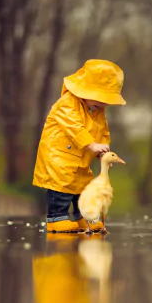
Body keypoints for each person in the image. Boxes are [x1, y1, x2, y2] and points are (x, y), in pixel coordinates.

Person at [33, 59, 126, 233]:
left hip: (81, 158)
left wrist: (102, 151)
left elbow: (103, 131)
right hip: (59, 157)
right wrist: (91, 144)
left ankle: (86, 216)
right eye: (100, 99)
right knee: (61, 188)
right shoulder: (67, 104)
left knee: (84, 188)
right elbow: (73, 126)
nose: (102, 105)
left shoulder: (96, 110)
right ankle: (56, 218)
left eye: (106, 101)